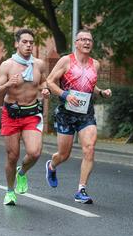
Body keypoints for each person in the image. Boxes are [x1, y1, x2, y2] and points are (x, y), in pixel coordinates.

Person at [46, 29, 112, 204]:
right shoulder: (66, 61)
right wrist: (65, 95)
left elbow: (90, 85)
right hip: (66, 113)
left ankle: (81, 189)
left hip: (86, 114)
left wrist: (101, 92)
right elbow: (50, 81)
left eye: (89, 40)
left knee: (89, 148)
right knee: (64, 154)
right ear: (76, 43)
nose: (87, 42)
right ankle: (52, 165)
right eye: (82, 39)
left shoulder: (95, 64)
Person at [0, 28, 50, 206]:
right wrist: (9, 83)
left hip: (32, 113)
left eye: (31, 43)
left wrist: (45, 89)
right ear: (16, 43)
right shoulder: (7, 65)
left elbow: (43, 82)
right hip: (11, 114)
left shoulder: (39, 65)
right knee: (12, 156)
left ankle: (22, 173)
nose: (28, 45)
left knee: (34, 152)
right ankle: (10, 191)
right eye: (24, 42)